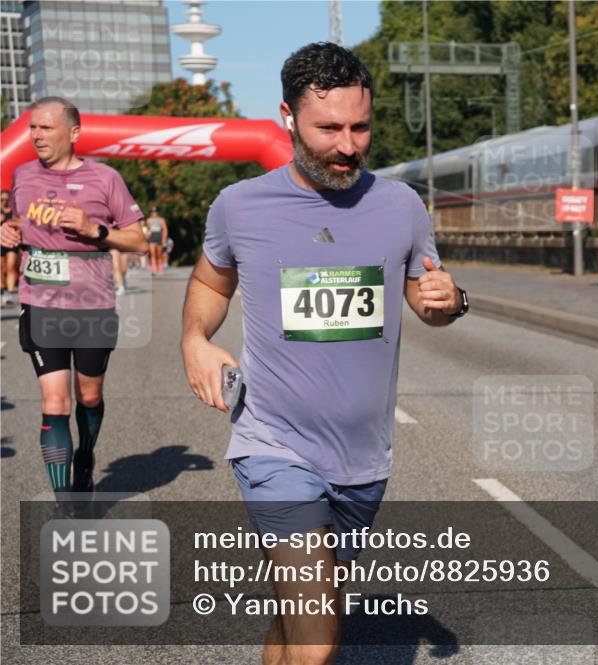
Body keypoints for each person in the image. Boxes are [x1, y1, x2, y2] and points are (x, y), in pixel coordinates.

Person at [180, 42, 468, 664]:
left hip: (364, 460)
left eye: (360, 126)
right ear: (288, 116)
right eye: (329, 128)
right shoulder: (240, 206)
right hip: (273, 445)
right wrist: (195, 340)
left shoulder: (401, 206)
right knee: (317, 637)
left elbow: (428, 301)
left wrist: (451, 300)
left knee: (298, 623)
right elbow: (209, 282)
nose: (348, 145)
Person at [0, 97, 147, 497]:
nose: (36, 136)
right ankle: (66, 503)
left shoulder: (105, 179)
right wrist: (9, 232)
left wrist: (94, 230)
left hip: (93, 305)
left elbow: (138, 240)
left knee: (89, 395)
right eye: (32, 128)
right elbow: (18, 223)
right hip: (41, 301)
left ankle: (85, 456)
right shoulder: (22, 174)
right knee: (54, 401)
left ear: (74, 133)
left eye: (45, 128)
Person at [1, 189, 18, 305]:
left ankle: (10, 293)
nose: (4, 202)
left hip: (12, 242)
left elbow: (20, 223)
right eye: (2, 199)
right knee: (1, 269)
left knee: (10, 267)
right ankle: (4, 290)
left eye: (7, 199)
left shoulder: (14, 211)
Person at [146, 207, 169, 273]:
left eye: (155, 212)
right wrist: (147, 236)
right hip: (152, 236)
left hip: (159, 235)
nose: (154, 213)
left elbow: (165, 229)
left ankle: (160, 268)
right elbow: (148, 229)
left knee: (159, 254)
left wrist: (164, 238)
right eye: (152, 212)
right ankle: (153, 268)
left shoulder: (161, 220)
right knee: (152, 254)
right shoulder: (148, 220)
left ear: (157, 212)